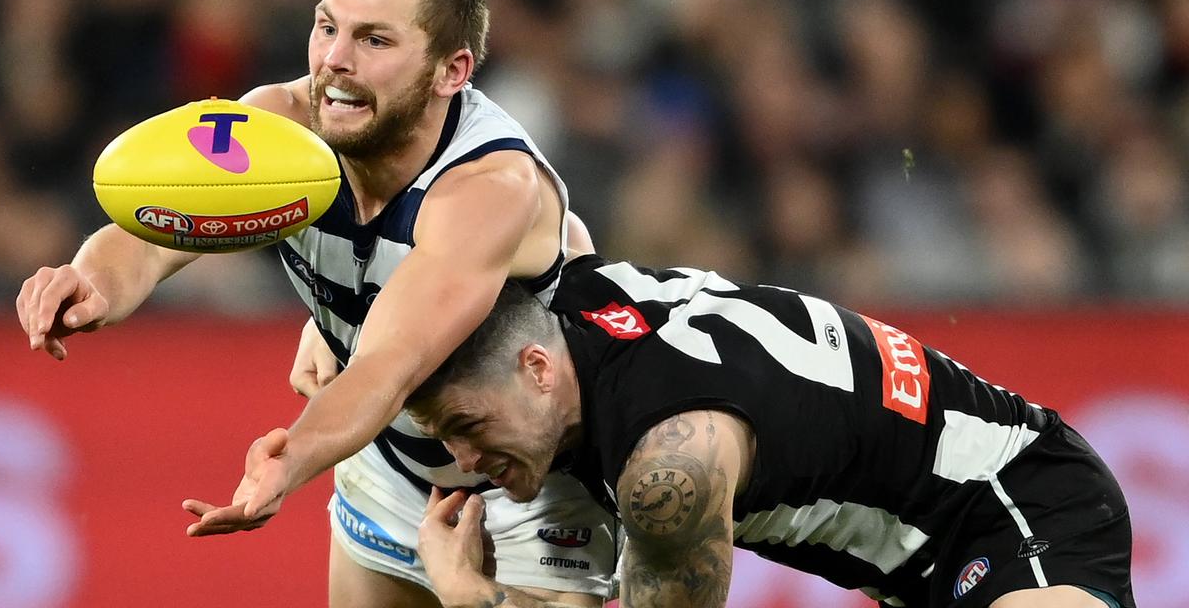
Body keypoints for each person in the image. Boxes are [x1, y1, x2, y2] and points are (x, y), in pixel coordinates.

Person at [15, 0, 616, 608]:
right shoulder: (277, 125)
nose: (335, 60)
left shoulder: (487, 187)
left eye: (375, 41)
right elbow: (154, 233)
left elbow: (391, 363)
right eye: (327, 26)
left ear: (452, 71)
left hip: (533, 479)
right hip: (396, 460)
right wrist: (92, 280)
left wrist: (290, 458)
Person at [406, 253, 1136, 608]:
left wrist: (470, 595)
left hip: (1014, 504)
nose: (464, 458)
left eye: (468, 424)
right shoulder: (565, 291)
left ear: (537, 368)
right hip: (916, 569)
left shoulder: (671, 469)